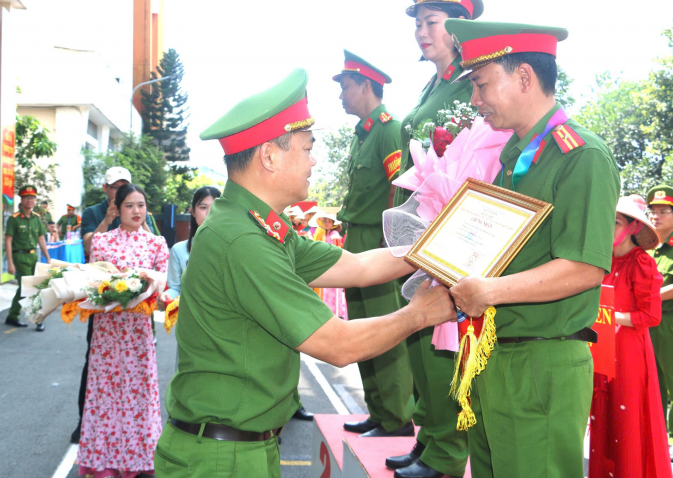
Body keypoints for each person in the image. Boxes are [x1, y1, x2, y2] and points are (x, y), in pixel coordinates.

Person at [155, 68, 456, 478]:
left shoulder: (258, 225)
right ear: (269, 156)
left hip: (239, 446)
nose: (315, 160)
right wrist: (419, 313)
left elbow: (359, 266)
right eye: (307, 148)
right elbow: (337, 344)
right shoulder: (243, 240)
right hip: (219, 459)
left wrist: (443, 244)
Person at [446, 20, 620, 478]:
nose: (474, 101)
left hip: (542, 362)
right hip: (497, 355)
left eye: (481, 85)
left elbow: (584, 267)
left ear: (524, 77)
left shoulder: (581, 156)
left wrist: (489, 291)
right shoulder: (515, 157)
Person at [386, 0, 483, 478]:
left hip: (453, 225)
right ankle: (427, 439)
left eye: (433, 21)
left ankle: (447, 453)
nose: (422, 31)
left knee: (444, 334)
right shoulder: (435, 84)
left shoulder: (473, 83)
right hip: (421, 222)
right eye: (418, 23)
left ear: (460, 26)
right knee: (422, 333)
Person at [333, 51, 415, 439]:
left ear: (366, 86)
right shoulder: (362, 133)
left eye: (346, 86)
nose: (341, 95)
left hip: (377, 242)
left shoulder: (388, 129)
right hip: (356, 240)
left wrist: (389, 244)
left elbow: (398, 190)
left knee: (386, 330)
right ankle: (379, 412)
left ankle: (398, 419)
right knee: (363, 329)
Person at [77, 183, 169, 478]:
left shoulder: (157, 244)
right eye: (129, 205)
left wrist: (151, 291)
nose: (136, 211)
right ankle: (104, 462)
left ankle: (140, 458)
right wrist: (112, 291)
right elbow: (92, 285)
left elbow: (162, 289)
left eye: (141, 205)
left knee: (138, 393)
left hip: (138, 334)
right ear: (117, 209)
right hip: (107, 332)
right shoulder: (102, 242)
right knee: (106, 394)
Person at [589, 196, 671, 478]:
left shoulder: (642, 263)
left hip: (629, 351)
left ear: (634, 227)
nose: (608, 227)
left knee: (627, 417)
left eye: (615, 222)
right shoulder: (602, 261)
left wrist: (611, 318)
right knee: (603, 412)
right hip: (602, 347)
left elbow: (651, 317)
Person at [646, 184, 673, 461]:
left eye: (663, 211)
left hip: (672, 322)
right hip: (647, 322)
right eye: (652, 211)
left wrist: (649, 295)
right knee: (652, 381)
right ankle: (660, 434)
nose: (656, 216)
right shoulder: (646, 242)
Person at [5, 185, 51, 330]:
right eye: (27, 198)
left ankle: (12, 316)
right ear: (22, 199)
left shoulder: (37, 219)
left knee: (25, 288)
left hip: (33, 257)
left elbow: (41, 239)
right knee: (29, 288)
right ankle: (38, 319)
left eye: (32, 198)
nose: (29, 201)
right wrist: (10, 263)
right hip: (19, 257)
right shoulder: (15, 219)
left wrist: (48, 259)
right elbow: (8, 241)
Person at [166, 185, 221, 300]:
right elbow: (175, 289)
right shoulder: (178, 250)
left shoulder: (233, 248)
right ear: (193, 212)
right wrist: (167, 296)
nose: (208, 213)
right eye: (203, 207)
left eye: (215, 207)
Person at [311, 211, 347, 319]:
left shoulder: (334, 235)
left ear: (333, 223)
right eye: (325, 221)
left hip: (333, 266)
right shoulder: (326, 234)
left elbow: (337, 252)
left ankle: (335, 313)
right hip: (327, 266)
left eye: (329, 221)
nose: (327, 223)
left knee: (333, 290)